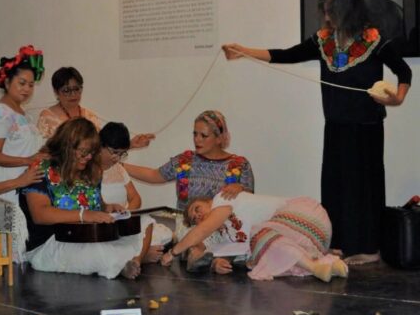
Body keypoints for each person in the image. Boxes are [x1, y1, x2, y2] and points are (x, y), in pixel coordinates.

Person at [222, 0, 412, 265]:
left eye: (330, 11)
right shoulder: (325, 41)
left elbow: (404, 71)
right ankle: (340, 243)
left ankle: (370, 247)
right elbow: (287, 54)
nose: (326, 17)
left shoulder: (373, 39)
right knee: (335, 186)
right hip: (335, 126)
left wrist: (397, 98)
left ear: (346, 11)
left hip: (366, 129)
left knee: (363, 188)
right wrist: (245, 51)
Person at [20, 118, 154, 279]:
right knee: (99, 251)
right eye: (83, 152)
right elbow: (40, 214)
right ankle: (126, 260)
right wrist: (83, 215)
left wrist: (108, 208)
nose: (88, 157)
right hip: (51, 244)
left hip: (88, 236)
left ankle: (126, 261)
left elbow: (97, 204)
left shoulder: (90, 170)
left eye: (91, 152)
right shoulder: (41, 169)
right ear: (67, 146)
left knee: (145, 222)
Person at [162, 192, 348, 282]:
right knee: (261, 254)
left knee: (259, 236)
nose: (198, 216)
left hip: (305, 214)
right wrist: (215, 263)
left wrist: (172, 252)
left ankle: (315, 267)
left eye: (197, 209)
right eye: (195, 219)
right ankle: (324, 265)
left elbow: (201, 232)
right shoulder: (220, 237)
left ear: (208, 200)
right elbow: (209, 251)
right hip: (313, 238)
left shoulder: (223, 198)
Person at [0, 45, 46, 261]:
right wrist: (28, 160)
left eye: (31, 85)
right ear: (7, 82)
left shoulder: (22, 114)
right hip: (9, 186)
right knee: (11, 248)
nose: (27, 89)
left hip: (26, 184)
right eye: (21, 83)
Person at [123, 110, 254, 210]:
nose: (197, 139)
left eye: (203, 135)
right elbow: (153, 175)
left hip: (223, 232)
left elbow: (250, 203)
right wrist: (118, 165)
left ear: (219, 138)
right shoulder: (185, 161)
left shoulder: (240, 165)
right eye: (195, 134)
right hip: (185, 230)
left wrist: (241, 189)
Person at [99, 122, 172, 262]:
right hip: (102, 222)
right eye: (114, 152)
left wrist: (125, 213)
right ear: (100, 145)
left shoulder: (119, 168)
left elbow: (135, 198)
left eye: (122, 154)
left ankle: (136, 259)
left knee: (151, 224)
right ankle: (141, 255)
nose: (117, 158)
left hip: (121, 221)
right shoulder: (88, 169)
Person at [37, 66, 155, 147]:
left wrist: (130, 144)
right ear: (56, 92)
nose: (73, 94)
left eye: (76, 89)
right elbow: (43, 152)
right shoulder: (47, 116)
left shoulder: (89, 116)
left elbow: (101, 150)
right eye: (67, 90)